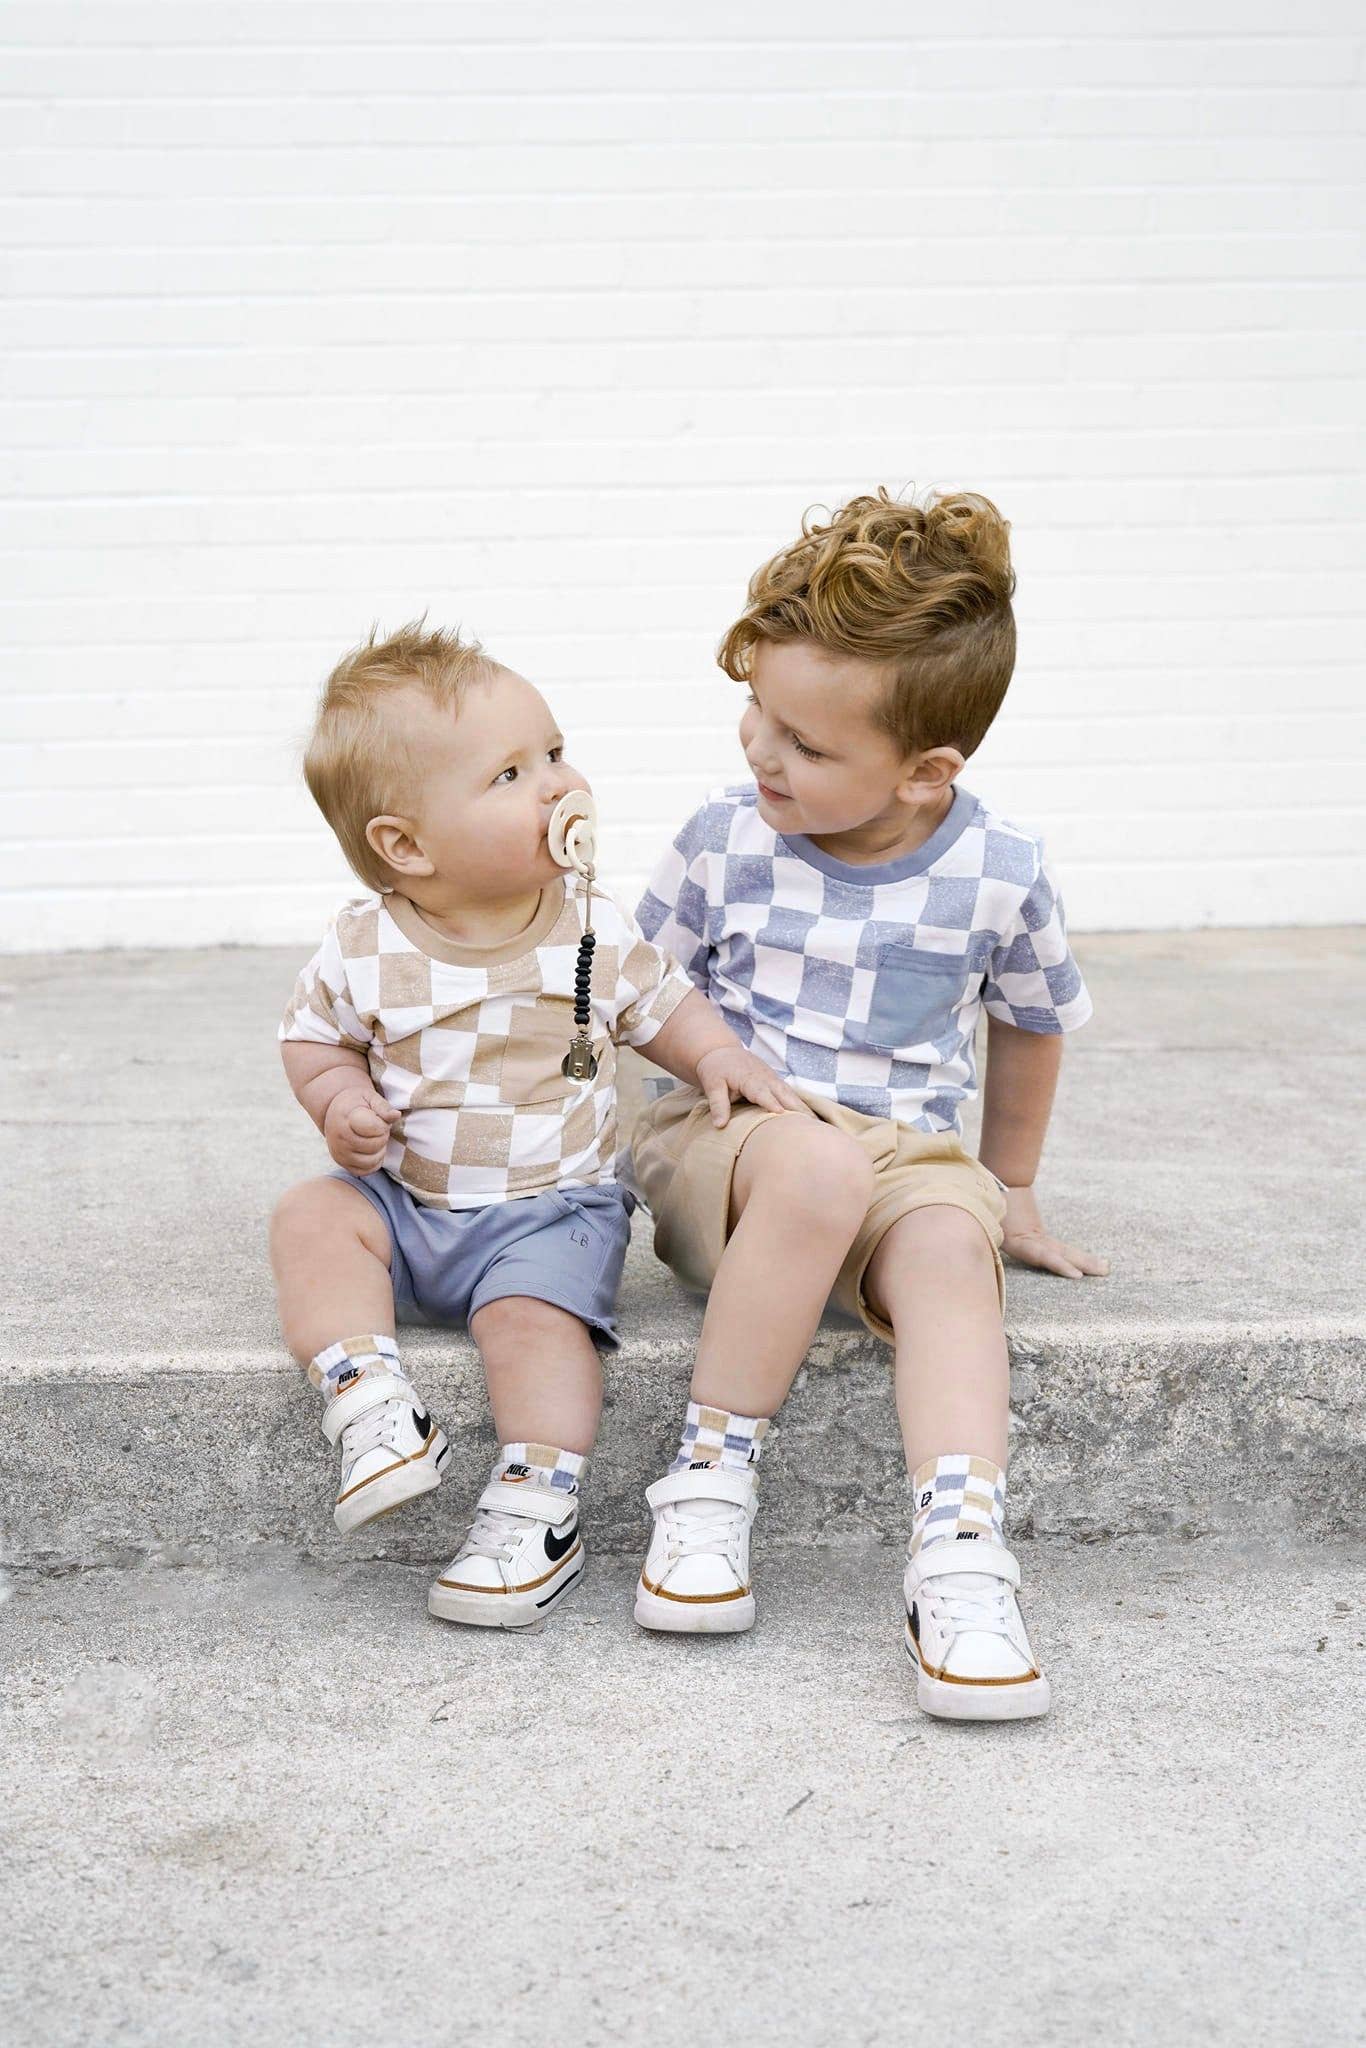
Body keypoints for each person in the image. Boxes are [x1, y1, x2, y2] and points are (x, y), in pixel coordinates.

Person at [630, 490, 1107, 1719]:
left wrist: (1010, 1186)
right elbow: (624, 983)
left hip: (908, 1150)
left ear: (925, 770)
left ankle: (957, 1554)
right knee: (817, 1170)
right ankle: (707, 1481)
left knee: (952, 1241)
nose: (758, 751)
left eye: (804, 742)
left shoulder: (998, 871)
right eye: (757, 712)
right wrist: (698, 1065)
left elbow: (1032, 1016)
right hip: (735, 1140)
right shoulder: (722, 840)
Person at [269, 623, 802, 1629]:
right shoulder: (363, 942)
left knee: (534, 1327)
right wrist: (339, 1102)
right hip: (408, 1200)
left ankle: (535, 1502)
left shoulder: (587, 921)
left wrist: (715, 1055)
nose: (559, 783)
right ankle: (370, 1400)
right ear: (406, 844)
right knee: (308, 1214)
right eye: (513, 771)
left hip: (547, 1213)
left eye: (555, 751)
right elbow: (313, 1040)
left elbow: (659, 1005)